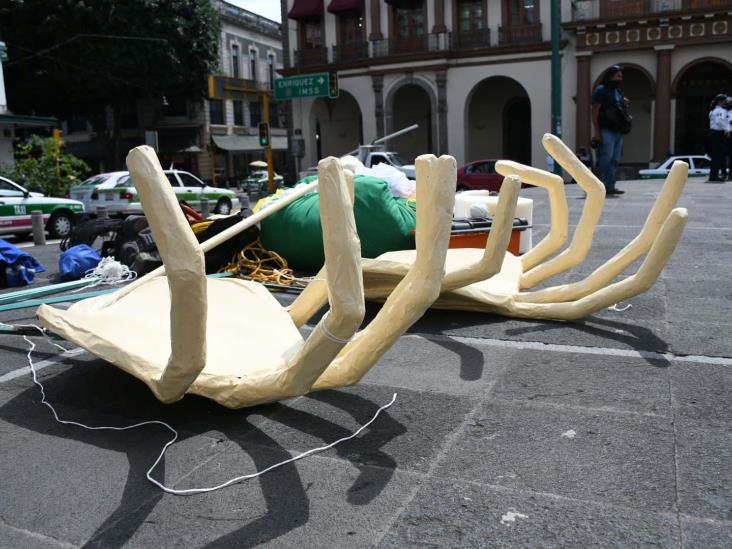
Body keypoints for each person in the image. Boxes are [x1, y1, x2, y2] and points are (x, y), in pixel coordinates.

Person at [592, 65, 632, 195]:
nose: (620, 79)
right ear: (611, 76)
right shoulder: (601, 90)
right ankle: (596, 184)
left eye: (621, 76)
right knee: (605, 157)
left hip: (618, 130)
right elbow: (595, 111)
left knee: (615, 159)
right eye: (618, 76)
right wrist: (597, 131)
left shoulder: (618, 91)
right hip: (606, 129)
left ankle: (610, 186)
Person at [707, 93, 730, 182]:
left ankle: (713, 175)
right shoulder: (721, 111)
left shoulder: (713, 110)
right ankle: (714, 176)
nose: (726, 103)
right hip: (718, 134)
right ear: (721, 102)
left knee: (716, 155)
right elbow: (719, 121)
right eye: (725, 101)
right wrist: (726, 130)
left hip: (713, 133)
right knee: (718, 155)